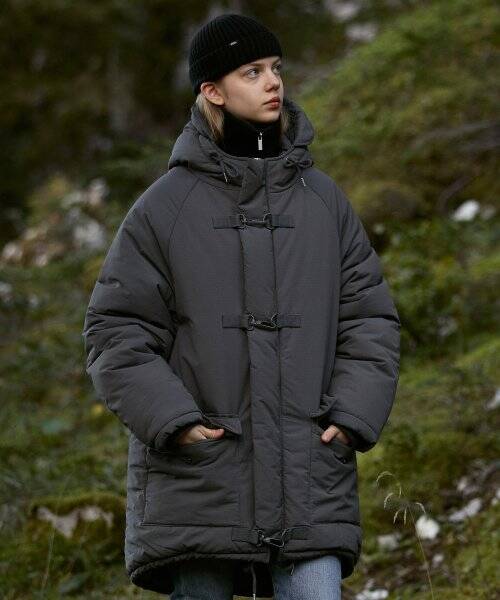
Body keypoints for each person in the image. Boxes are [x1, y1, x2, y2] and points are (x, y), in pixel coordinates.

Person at [82, 12, 401, 600]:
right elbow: (115, 330)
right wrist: (176, 423)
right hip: (200, 478)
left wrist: (351, 414)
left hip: (309, 472)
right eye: (251, 72)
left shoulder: (323, 201)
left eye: (275, 68)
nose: (272, 82)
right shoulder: (164, 207)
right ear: (212, 90)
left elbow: (369, 319)